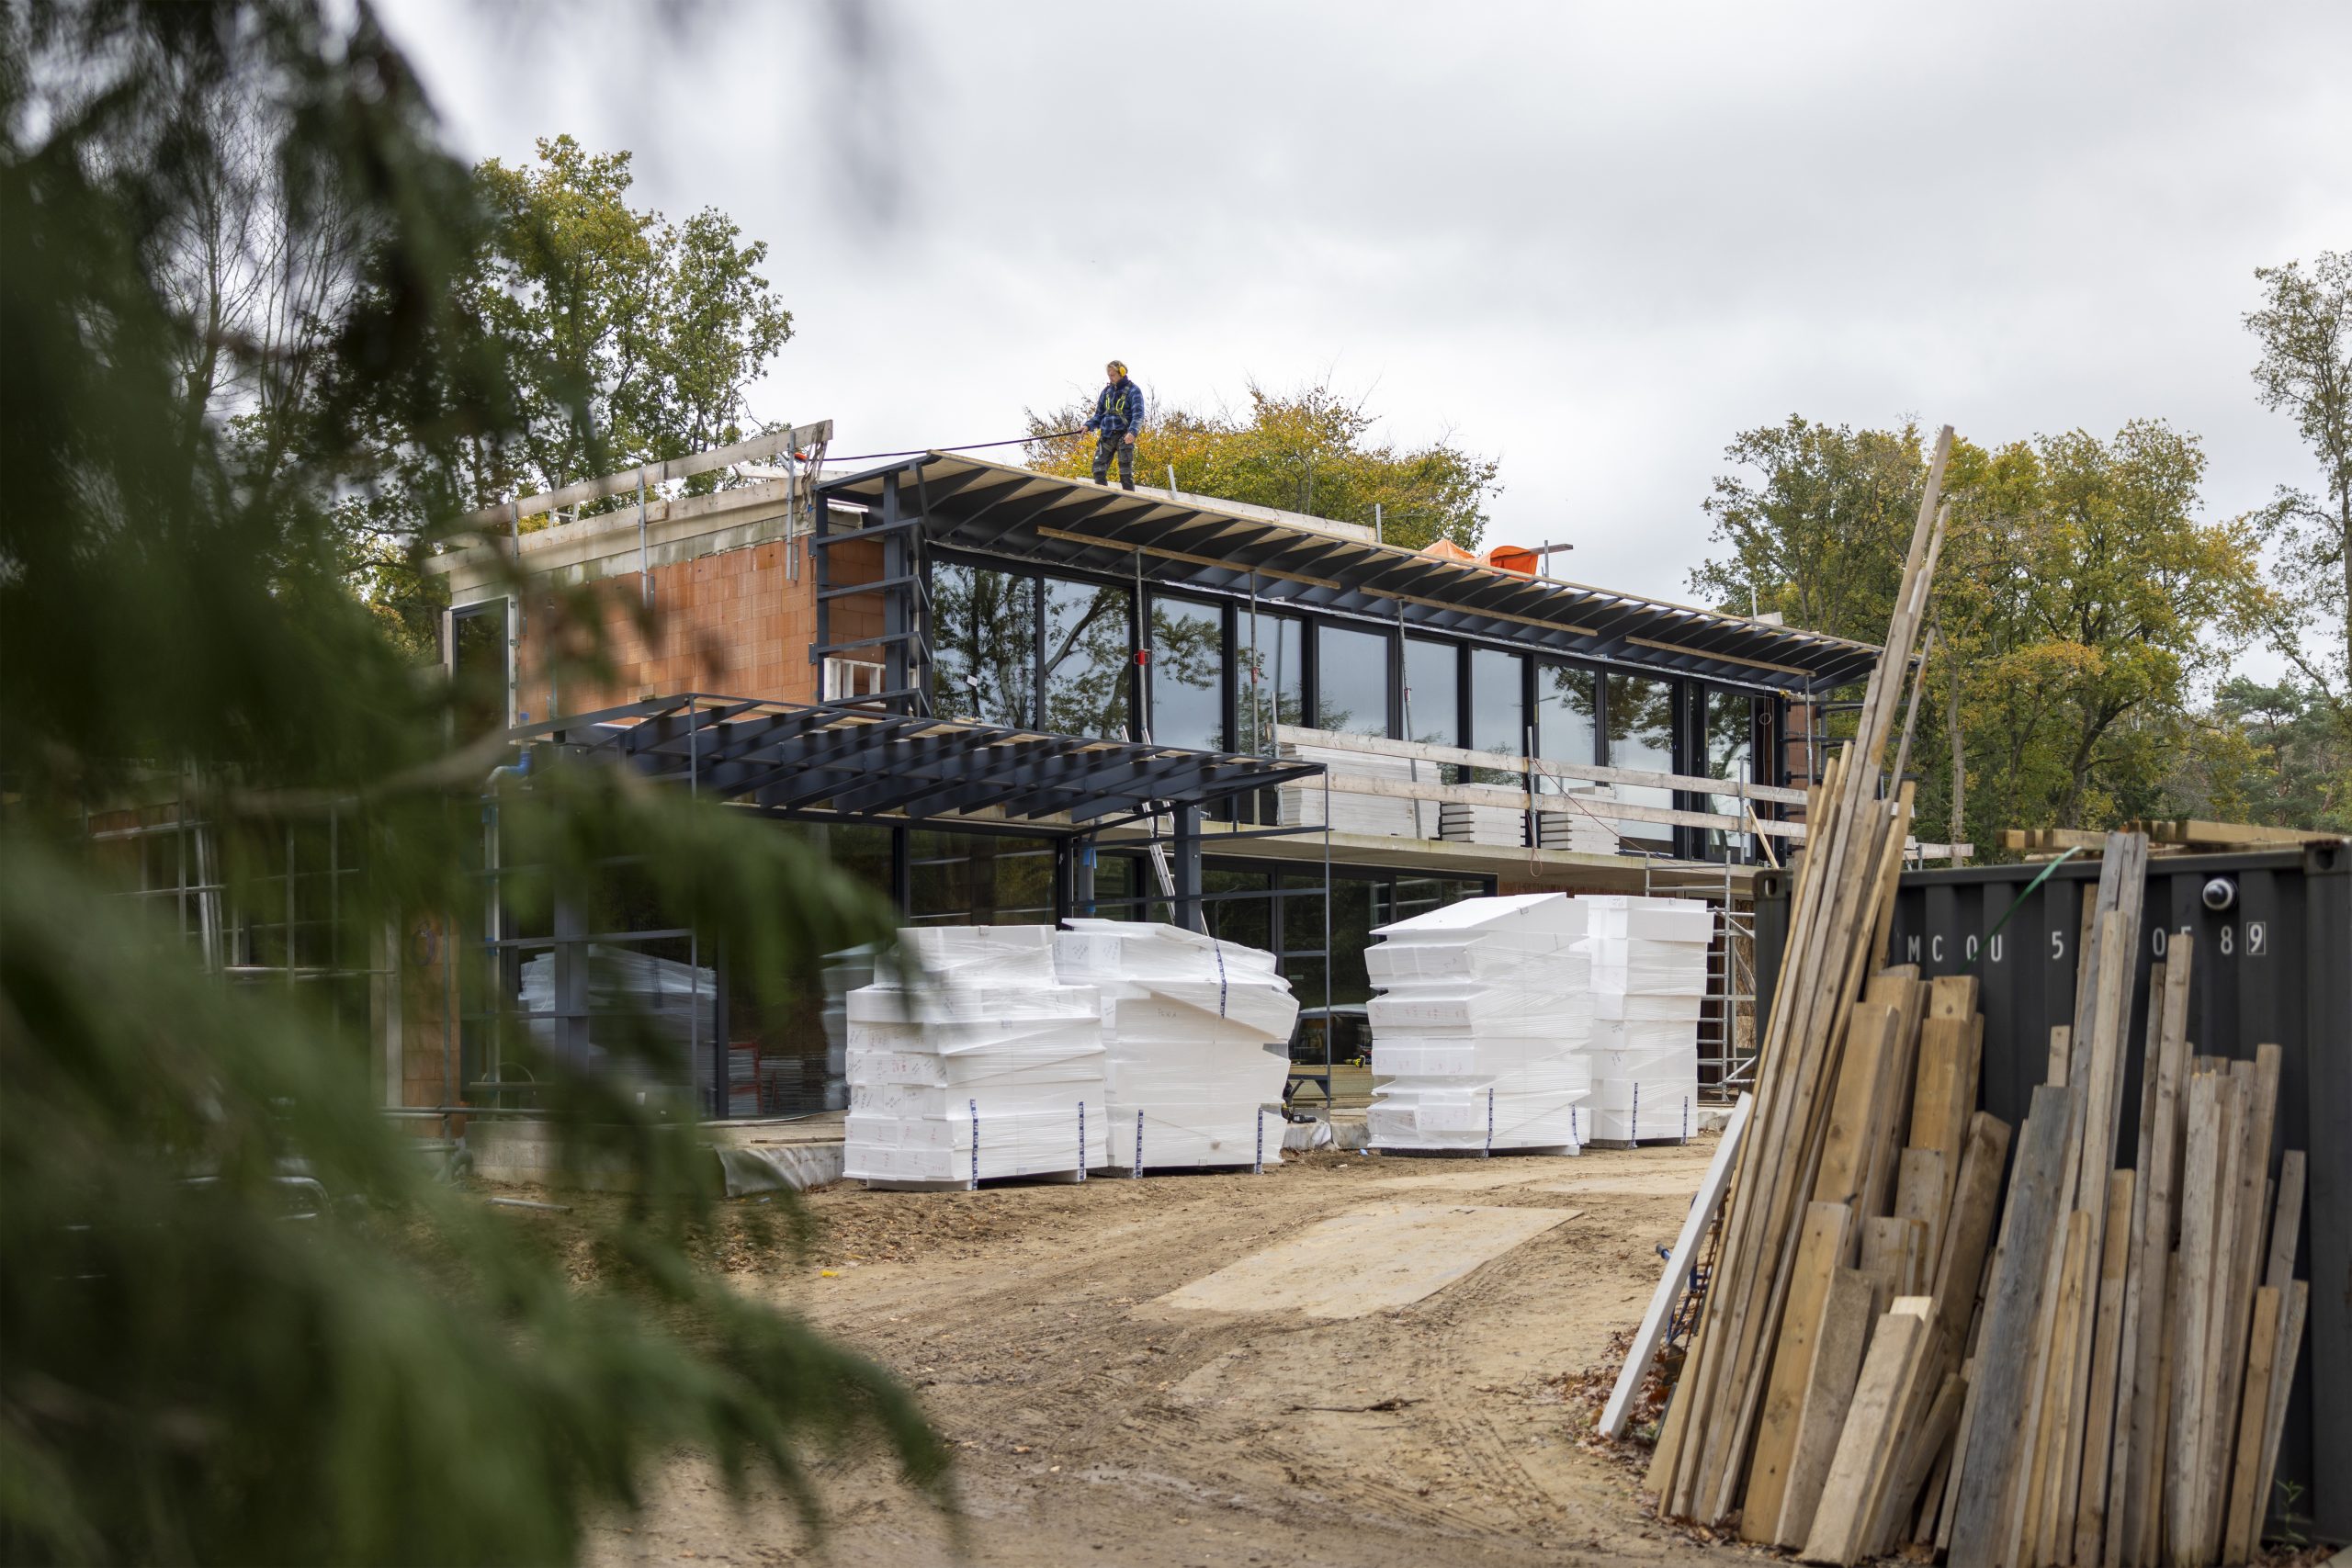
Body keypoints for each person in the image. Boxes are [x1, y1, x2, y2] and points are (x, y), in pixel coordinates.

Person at [1085, 359, 1144, 491]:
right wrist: (1088, 426)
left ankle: (1129, 501)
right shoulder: (1106, 392)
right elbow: (1099, 415)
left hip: (1124, 436)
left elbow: (1138, 415)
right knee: (1098, 469)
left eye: (1113, 375)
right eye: (1109, 375)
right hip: (1106, 436)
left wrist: (1133, 432)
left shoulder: (1134, 391)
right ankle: (1103, 497)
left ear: (1122, 373)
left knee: (1125, 473)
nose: (1110, 378)